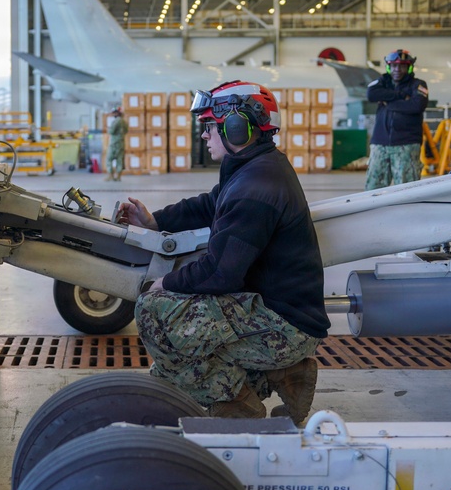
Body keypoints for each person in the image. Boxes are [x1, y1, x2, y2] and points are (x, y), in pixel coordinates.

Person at [116, 80, 329, 423]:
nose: (205, 136)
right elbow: (211, 204)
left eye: (210, 127)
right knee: (183, 332)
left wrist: (165, 283)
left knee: (155, 311)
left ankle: (236, 401)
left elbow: (219, 274)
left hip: (285, 328)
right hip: (284, 314)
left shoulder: (256, 187)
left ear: (237, 128)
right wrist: (156, 221)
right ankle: (286, 375)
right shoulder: (259, 168)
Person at [365, 49, 430, 190]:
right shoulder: (383, 81)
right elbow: (371, 94)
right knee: (372, 190)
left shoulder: (418, 84)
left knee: (407, 191)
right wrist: (401, 95)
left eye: (402, 66)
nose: (397, 69)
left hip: (406, 145)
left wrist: (388, 103)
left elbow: (417, 105)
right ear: (389, 66)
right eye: (394, 66)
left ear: (408, 67)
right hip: (379, 145)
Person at [105, 108, 128, 181]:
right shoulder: (124, 122)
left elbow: (111, 131)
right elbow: (126, 131)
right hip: (121, 143)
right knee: (119, 160)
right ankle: (118, 176)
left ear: (117, 113)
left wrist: (108, 129)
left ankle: (110, 175)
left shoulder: (116, 121)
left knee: (109, 159)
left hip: (114, 143)